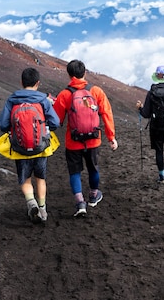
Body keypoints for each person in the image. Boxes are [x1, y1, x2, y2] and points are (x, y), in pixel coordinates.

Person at [53, 59, 118, 217]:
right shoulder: (96, 91)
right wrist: (111, 137)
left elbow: (56, 120)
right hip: (93, 140)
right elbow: (107, 114)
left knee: (74, 172)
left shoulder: (65, 94)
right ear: (85, 73)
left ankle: (80, 202)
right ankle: (94, 195)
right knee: (93, 168)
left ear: (69, 75)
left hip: (73, 142)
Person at [0, 67, 61, 224]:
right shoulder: (43, 100)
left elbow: (3, 124)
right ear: (38, 83)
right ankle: (42, 209)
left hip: (20, 148)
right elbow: (56, 122)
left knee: (25, 179)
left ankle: (31, 203)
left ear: (21, 82)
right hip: (41, 148)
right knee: (40, 178)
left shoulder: (12, 100)